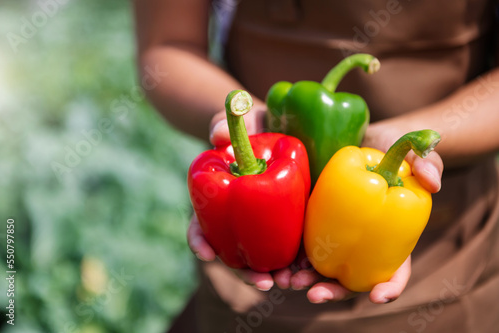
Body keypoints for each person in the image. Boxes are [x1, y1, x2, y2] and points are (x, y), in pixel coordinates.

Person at [133, 1, 499, 332]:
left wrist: (414, 140)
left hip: (447, 252)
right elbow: (167, 46)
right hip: (247, 290)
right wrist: (246, 130)